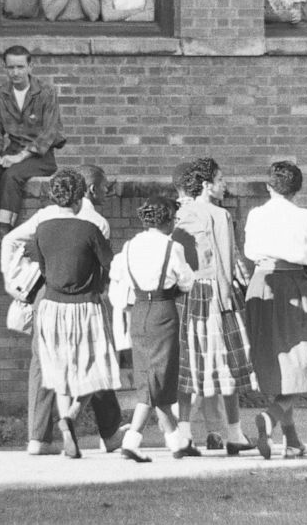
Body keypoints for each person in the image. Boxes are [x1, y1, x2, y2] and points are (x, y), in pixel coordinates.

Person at [0, 164, 127, 456]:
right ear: (90, 190)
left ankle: (38, 437)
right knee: (94, 359)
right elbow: (104, 266)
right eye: (105, 187)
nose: (108, 192)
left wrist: (15, 281)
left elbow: (10, 240)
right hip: (85, 295)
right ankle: (107, 432)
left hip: (48, 293)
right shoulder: (97, 223)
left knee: (44, 363)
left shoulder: (44, 217)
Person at [243, 161, 307, 459]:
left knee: (279, 361)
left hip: (261, 285)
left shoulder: (256, 215)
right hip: (294, 282)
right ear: (298, 189)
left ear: (269, 186)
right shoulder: (305, 216)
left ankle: (292, 440)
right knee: (303, 359)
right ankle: (270, 417)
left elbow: (249, 251)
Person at [171, 157, 258, 457]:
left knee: (190, 365)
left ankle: (183, 435)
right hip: (215, 295)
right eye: (221, 180)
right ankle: (233, 432)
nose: (225, 185)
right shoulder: (220, 216)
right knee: (227, 367)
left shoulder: (181, 214)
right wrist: (226, 303)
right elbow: (225, 262)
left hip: (188, 294)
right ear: (207, 185)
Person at [31, 168, 120, 459]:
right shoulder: (90, 229)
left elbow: (43, 269)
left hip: (51, 307)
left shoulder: (42, 228)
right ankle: (70, 415)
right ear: (81, 194)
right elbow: (110, 265)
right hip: (86, 306)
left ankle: (66, 427)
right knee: (96, 370)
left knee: (60, 373)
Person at [109, 196, 197, 462]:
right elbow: (186, 282)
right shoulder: (173, 247)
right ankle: (132, 439)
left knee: (150, 375)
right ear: (167, 218)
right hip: (163, 309)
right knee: (158, 378)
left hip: (138, 311)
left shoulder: (130, 246)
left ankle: (175, 443)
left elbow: (117, 274)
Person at [0, 45, 64, 265]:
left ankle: (6, 236)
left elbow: (51, 131)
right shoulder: (1, 94)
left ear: (30, 66)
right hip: (11, 151)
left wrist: (22, 155)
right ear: (4, 68)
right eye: (10, 67)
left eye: (20, 67)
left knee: (11, 176)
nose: (15, 72)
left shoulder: (46, 92)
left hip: (40, 157)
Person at [171, 161, 227, 451]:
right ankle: (193, 432)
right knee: (208, 364)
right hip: (205, 292)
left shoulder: (176, 217)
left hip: (184, 295)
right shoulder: (206, 216)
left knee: (194, 364)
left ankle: (197, 431)